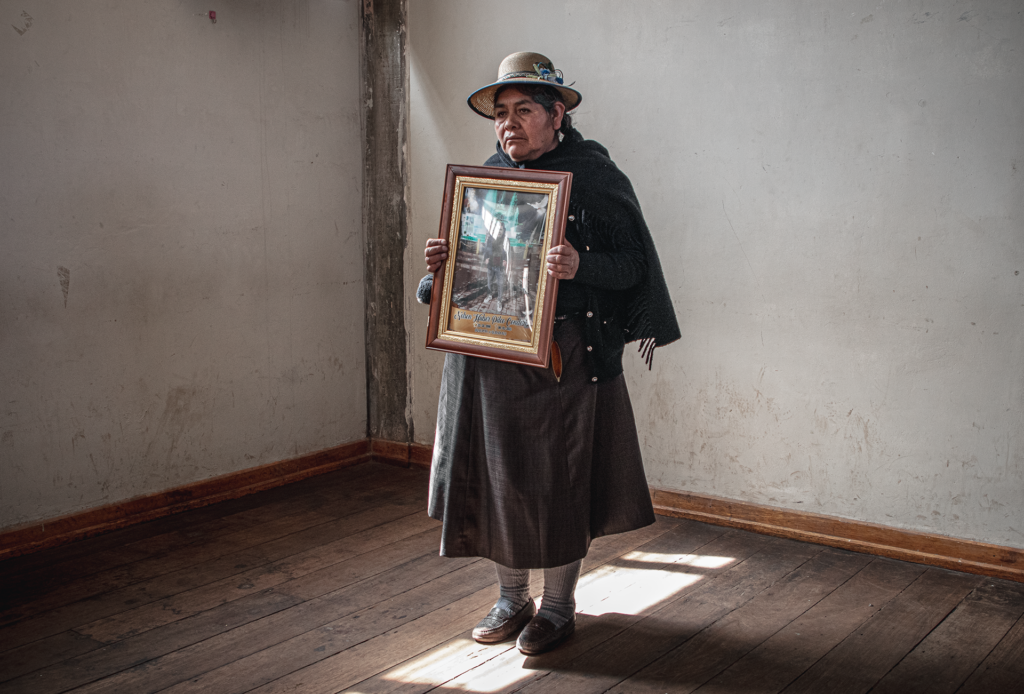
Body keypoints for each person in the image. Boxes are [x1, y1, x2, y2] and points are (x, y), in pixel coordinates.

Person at [418, 52, 680, 655]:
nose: (508, 124)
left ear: (556, 115)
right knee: (498, 477)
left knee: (560, 483)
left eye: (523, 110)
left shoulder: (594, 177)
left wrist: (581, 264)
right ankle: (512, 598)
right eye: (500, 113)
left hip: (564, 357)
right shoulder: (487, 178)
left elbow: (635, 267)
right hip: (488, 354)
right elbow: (469, 276)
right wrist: (440, 271)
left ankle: (559, 607)